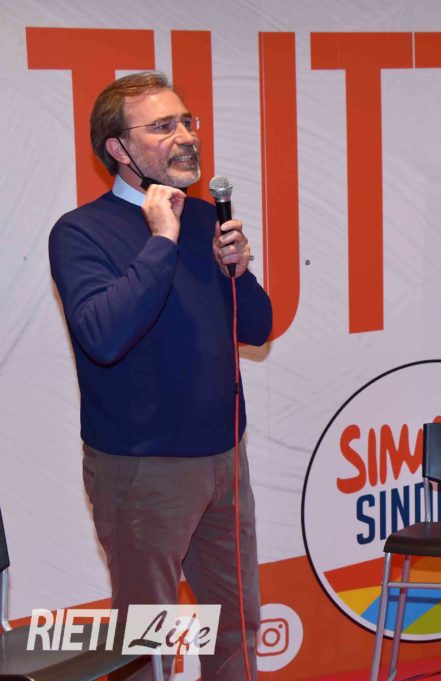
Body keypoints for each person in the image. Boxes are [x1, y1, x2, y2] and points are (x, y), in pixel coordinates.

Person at [48, 72, 272, 680]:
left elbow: (257, 328)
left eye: (187, 121)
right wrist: (161, 240)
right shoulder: (80, 232)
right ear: (119, 148)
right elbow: (103, 336)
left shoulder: (205, 218)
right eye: (163, 126)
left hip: (225, 459)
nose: (186, 137)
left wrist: (239, 271)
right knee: (147, 645)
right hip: (143, 470)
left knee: (237, 630)